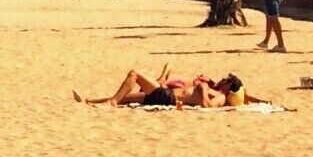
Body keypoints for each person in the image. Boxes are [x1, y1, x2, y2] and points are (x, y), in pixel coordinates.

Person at [77, 68, 247, 109]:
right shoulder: (213, 87)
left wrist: (202, 89)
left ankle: (111, 102)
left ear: (229, 86)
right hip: (166, 96)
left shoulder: (220, 97)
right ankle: (90, 100)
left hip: (168, 98)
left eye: (226, 80)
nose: (223, 79)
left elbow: (207, 106)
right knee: (127, 97)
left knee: (134, 74)